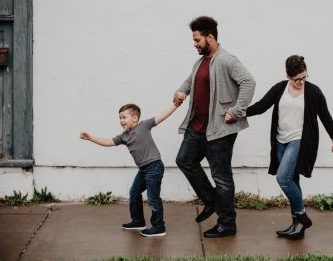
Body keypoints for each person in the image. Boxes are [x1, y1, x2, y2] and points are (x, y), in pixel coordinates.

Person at [229, 55, 333, 240]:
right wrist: (238, 113)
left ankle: (302, 216)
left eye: (304, 77)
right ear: (288, 76)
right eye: (297, 79)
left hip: (300, 140)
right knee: (293, 180)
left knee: (283, 178)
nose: (301, 82)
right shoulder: (280, 88)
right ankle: (297, 226)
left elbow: (326, 117)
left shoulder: (313, 92)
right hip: (280, 141)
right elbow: (261, 106)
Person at [173, 16, 256, 238]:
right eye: (194, 40)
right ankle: (211, 201)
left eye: (197, 39)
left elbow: (249, 82)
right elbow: (190, 81)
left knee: (222, 177)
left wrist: (237, 111)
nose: (195, 44)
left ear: (210, 37)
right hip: (197, 127)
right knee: (184, 161)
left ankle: (227, 224)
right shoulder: (200, 61)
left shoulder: (226, 60)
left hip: (219, 130)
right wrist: (181, 91)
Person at [80, 103, 178, 237]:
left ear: (135, 118)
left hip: (154, 166)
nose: (121, 121)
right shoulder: (124, 136)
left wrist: (175, 105)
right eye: (120, 118)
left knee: (153, 198)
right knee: (134, 192)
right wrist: (90, 138)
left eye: (124, 118)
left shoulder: (144, 125)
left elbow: (162, 116)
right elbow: (108, 142)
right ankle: (138, 221)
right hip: (143, 169)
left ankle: (159, 227)